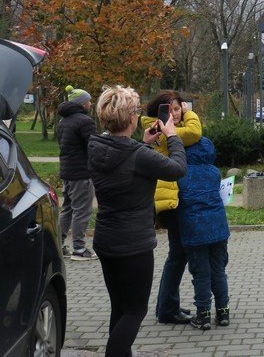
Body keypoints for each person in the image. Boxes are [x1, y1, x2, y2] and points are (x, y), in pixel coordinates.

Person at [88, 85, 186, 357]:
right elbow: (177, 169)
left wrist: (144, 142)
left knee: (120, 308)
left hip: (106, 240)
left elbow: (124, 162)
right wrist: (172, 136)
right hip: (133, 245)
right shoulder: (138, 155)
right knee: (134, 312)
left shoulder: (96, 146)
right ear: (131, 117)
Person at [141, 91, 201, 325]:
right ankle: (167, 308)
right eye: (170, 110)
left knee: (177, 253)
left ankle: (166, 305)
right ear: (159, 112)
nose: (174, 114)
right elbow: (194, 132)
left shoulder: (157, 128)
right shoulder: (162, 130)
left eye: (177, 109)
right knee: (178, 254)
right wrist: (189, 112)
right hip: (168, 200)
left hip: (171, 197)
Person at [177, 136, 230, 330]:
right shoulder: (214, 172)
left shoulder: (181, 173)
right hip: (218, 228)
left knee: (201, 274)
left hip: (195, 231)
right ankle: (223, 312)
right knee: (219, 271)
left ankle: (203, 315)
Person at [56, 84, 98, 260]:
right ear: (82, 103)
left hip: (67, 171)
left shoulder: (62, 122)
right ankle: (79, 249)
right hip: (81, 173)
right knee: (82, 210)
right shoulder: (85, 121)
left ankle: (58, 245)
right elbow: (93, 146)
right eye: (89, 101)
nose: (91, 103)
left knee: (67, 209)